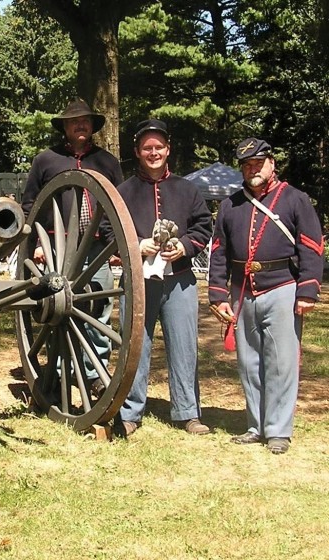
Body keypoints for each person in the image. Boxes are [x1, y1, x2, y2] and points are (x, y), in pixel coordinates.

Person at [208, 138, 323, 454]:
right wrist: (217, 294)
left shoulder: (295, 199)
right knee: (249, 362)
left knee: (281, 363)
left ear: (272, 163)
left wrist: (308, 290)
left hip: (282, 287)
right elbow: (218, 251)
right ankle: (255, 425)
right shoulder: (231, 204)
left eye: (258, 164)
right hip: (242, 291)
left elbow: (311, 245)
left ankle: (278, 431)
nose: (252, 170)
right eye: (247, 165)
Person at [114, 118, 213, 436]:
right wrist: (135, 245)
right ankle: (130, 412)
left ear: (168, 150)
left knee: (184, 346)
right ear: (137, 152)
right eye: (147, 148)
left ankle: (188, 413)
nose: (153, 152)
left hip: (179, 280)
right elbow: (106, 228)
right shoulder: (124, 191)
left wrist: (184, 247)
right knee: (135, 346)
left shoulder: (187, 189)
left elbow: (203, 226)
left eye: (158, 147)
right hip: (138, 281)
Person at [21, 99, 124, 396]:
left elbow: (118, 208)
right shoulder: (46, 160)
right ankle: (57, 373)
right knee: (57, 309)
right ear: (64, 127)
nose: (80, 125)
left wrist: (116, 246)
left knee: (99, 310)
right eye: (74, 121)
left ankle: (94, 373)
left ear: (92, 127)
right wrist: (38, 244)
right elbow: (31, 205)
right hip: (57, 248)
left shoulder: (107, 162)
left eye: (85, 121)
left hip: (96, 248)